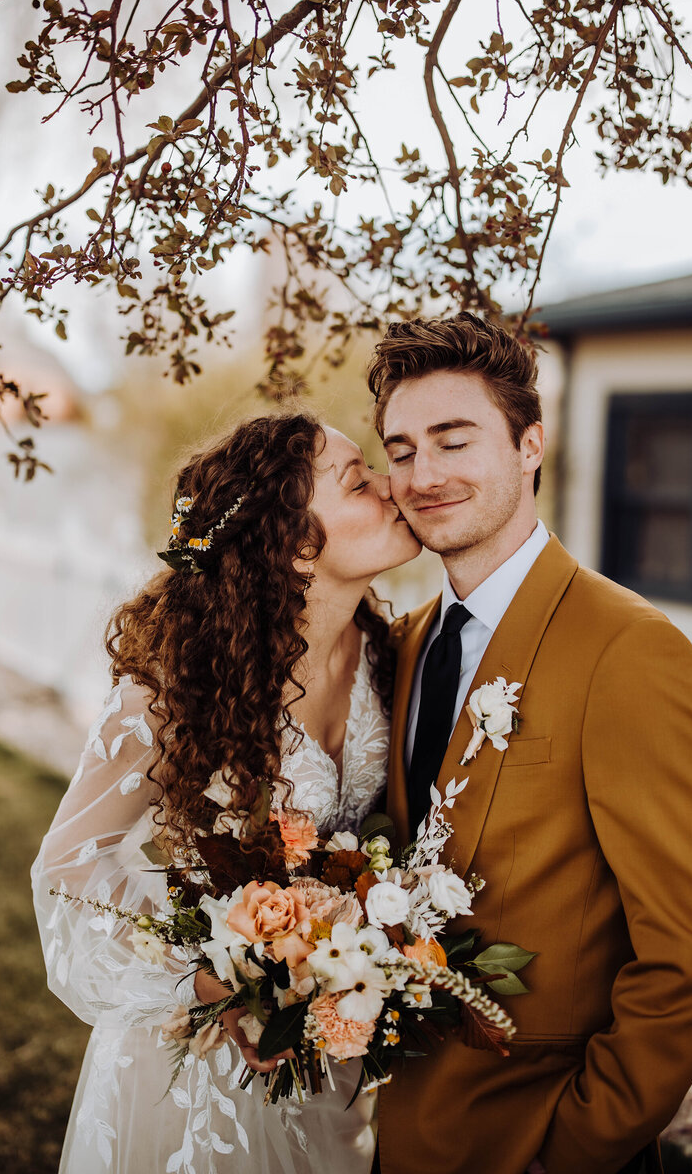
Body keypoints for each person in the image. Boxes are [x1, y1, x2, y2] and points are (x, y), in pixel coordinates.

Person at [366, 313, 692, 1174]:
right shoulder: (410, 641)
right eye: (400, 450)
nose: (423, 475)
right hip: (402, 1132)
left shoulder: (629, 650)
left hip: (532, 1141)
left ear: (529, 444)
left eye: (453, 440)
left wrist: (575, 1146)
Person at [32, 412, 421, 1174]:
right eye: (358, 480)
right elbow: (69, 866)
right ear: (298, 547)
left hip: (325, 1051)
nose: (392, 484)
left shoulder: (391, 657)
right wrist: (203, 978)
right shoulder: (182, 684)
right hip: (196, 1065)